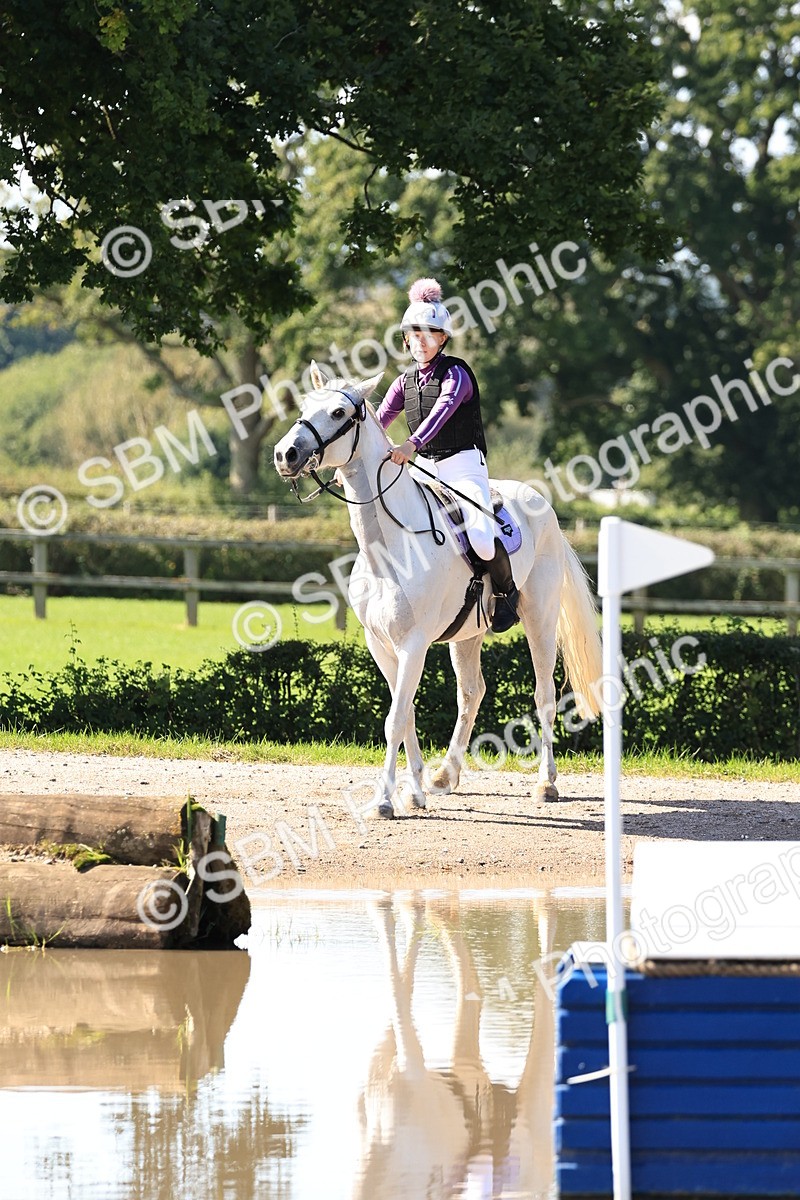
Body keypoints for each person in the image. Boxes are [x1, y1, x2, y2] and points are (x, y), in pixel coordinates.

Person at [376, 278, 519, 633]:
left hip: (463, 468)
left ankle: (507, 594)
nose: (420, 340)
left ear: (443, 338)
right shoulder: (402, 383)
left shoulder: (456, 375)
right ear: (405, 339)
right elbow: (378, 423)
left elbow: (443, 411)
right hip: (423, 471)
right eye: (414, 334)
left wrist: (411, 444)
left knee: (483, 542)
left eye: (430, 333)